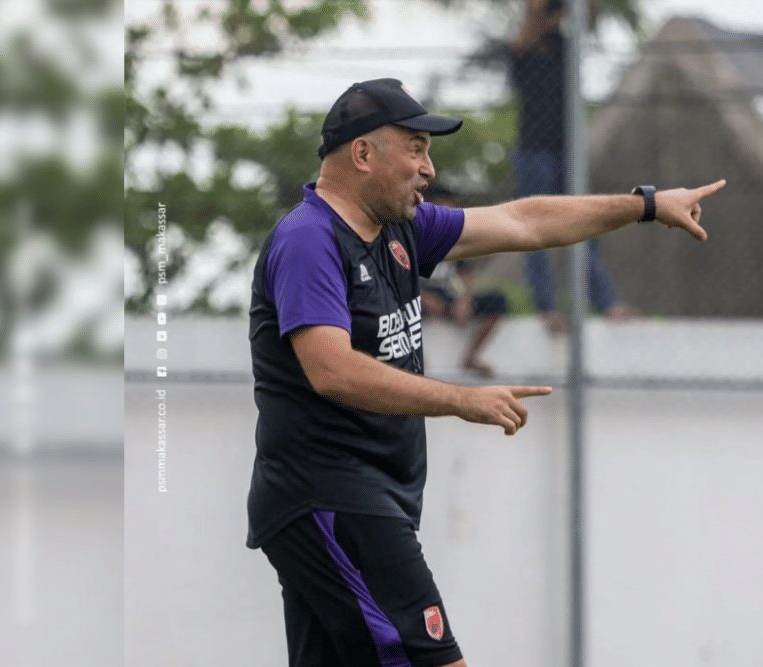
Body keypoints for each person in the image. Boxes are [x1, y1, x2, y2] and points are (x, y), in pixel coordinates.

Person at [247, 77, 724, 667]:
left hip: (365, 498)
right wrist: (460, 399)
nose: (428, 168)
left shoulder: (402, 230)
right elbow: (332, 370)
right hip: (332, 496)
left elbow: (524, 222)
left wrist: (646, 205)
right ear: (363, 154)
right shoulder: (308, 239)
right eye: (416, 148)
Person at [510, 0, 637, 333]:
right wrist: (541, 10)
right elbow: (532, 20)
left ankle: (607, 302)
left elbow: (589, 15)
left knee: (584, 224)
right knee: (535, 231)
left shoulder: (566, 46)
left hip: (567, 149)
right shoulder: (522, 48)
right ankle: (547, 307)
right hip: (534, 150)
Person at [419, 184, 509, 379]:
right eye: (443, 208)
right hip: (420, 299)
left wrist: (464, 299)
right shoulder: (414, 235)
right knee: (398, 306)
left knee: (497, 300)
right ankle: (415, 357)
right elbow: (399, 276)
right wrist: (423, 297)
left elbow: (466, 272)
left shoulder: (453, 236)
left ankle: (470, 358)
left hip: (449, 300)